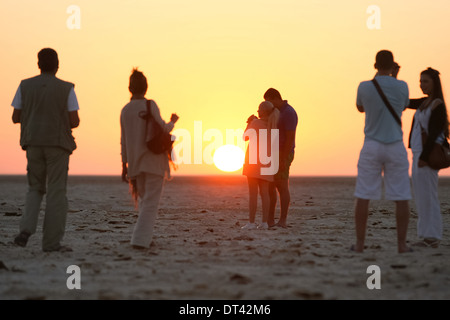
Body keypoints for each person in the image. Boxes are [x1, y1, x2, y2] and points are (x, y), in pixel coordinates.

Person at [11, 48, 80, 252]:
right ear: (57, 65)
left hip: (32, 142)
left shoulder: (25, 86)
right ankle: (51, 243)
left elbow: (15, 117)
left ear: (38, 64)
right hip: (57, 145)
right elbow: (74, 121)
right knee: (56, 192)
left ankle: (25, 230)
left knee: (35, 188)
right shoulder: (66, 88)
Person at [353, 50, 412, 253]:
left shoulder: (365, 86)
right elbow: (403, 106)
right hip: (395, 144)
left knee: (363, 195)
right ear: (393, 66)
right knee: (401, 196)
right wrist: (394, 78)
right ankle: (401, 245)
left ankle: (360, 245)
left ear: (375, 65)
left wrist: (377, 79)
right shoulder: (402, 86)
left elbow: (360, 108)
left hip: (372, 144)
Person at [120, 68, 179, 250]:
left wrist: (124, 165)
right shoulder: (149, 105)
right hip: (152, 160)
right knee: (150, 203)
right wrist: (173, 121)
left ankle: (144, 237)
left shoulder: (125, 110)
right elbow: (163, 129)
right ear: (146, 87)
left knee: (145, 201)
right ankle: (140, 240)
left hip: (135, 163)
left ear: (130, 88)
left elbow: (123, 140)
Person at [407, 68, 449, 248]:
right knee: (421, 195)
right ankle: (426, 235)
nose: (421, 84)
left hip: (427, 155)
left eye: (425, 81)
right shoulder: (425, 102)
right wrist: (394, 77)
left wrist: (424, 157)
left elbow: (433, 134)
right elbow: (405, 102)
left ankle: (432, 236)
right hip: (418, 153)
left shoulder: (437, 105)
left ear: (434, 83)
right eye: (420, 81)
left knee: (428, 195)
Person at [242, 101, 280, 230]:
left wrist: (249, 123)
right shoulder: (273, 124)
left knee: (253, 194)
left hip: (253, 162)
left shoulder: (255, 123)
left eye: (258, 110)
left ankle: (251, 222)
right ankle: (264, 222)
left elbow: (245, 137)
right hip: (267, 162)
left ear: (262, 112)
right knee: (265, 193)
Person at [263, 88, 298, 228]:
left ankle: (282, 220)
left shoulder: (288, 113)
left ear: (273, 99)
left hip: (283, 152)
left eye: (268, 102)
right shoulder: (274, 112)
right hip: (272, 153)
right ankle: (270, 220)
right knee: (270, 186)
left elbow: (290, 137)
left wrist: (283, 158)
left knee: (282, 186)